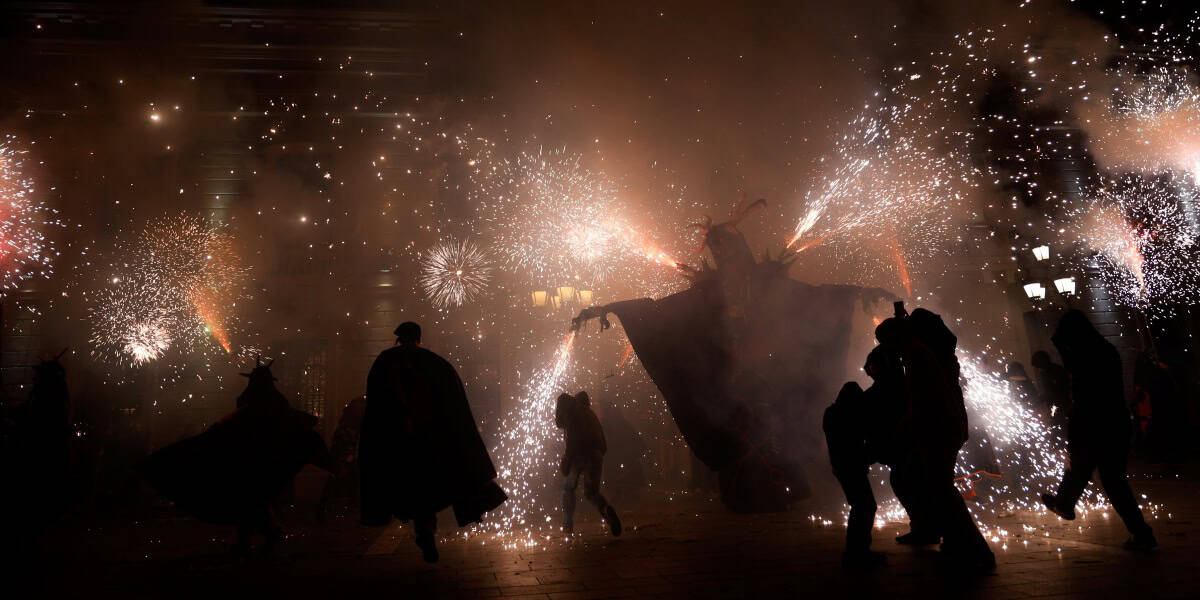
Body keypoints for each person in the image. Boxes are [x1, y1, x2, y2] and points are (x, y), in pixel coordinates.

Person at [139, 358, 334, 558]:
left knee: (249, 502)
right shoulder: (268, 404)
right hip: (254, 463)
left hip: (251, 463)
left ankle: (260, 538)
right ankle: (257, 538)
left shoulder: (259, 404)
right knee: (251, 503)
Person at [359, 322, 507, 563]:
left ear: (398, 338)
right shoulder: (435, 363)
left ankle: (424, 532)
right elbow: (455, 408)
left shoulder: (385, 362)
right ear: (419, 338)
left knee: (411, 490)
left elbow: (376, 406)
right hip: (431, 441)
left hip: (396, 443)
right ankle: (427, 531)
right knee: (427, 489)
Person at [877, 304, 995, 571]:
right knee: (925, 484)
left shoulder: (918, 356)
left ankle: (976, 551)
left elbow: (921, 400)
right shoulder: (919, 352)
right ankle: (953, 542)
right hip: (940, 428)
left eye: (886, 342)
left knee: (941, 490)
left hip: (938, 429)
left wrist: (902, 429)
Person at [1041, 310, 1157, 552]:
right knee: (1099, 474)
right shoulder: (1104, 349)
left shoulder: (1085, 356)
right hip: (1115, 421)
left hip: (1095, 421)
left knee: (1104, 476)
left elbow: (1082, 390)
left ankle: (1141, 533)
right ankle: (1065, 503)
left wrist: (1059, 342)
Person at [824, 382, 884, 568]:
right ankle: (857, 555)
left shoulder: (831, 413)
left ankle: (857, 552)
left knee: (861, 506)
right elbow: (858, 442)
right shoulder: (847, 416)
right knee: (864, 506)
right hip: (850, 467)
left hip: (842, 467)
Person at [555, 391, 621, 536]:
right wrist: (594, 459)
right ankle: (606, 510)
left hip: (579, 455)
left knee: (568, 488)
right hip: (596, 455)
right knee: (592, 492)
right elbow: (603, 443)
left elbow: (572, 442)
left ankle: (567, 525)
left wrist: (567, 461)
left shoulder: (573, 415)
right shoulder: (591, 415)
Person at [316, 395, 367, 521]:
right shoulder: (347, 427)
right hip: (345, 454)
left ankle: (352, 504)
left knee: (346, 479)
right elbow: (341, 445)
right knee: (339, 477)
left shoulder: (350, 423)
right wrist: (347, 457)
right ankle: (325, 506)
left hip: (348, 453)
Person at [1031, 350, 1070, 428]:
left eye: (1039, 367)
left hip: (1062, 406)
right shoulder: (1044, 373)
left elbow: (1057, 391)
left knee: (1060, 428)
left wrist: (1041, 399)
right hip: (1054, 406)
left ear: (1043, 362)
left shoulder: (1057, 371)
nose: (1039, 370)